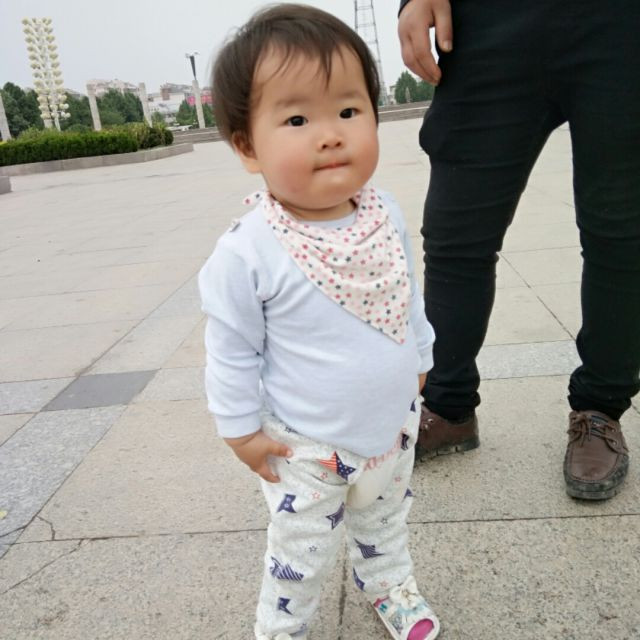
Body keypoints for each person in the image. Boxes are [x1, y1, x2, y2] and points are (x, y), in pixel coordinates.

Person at [199, 5, 440, 639]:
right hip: (306, 448)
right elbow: (231, 351)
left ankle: (389, 588)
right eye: (298, 119)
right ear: (247, 146)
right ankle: (283, 628)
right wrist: (239, 430)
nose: (330, 135)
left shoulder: (384, 212)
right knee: (298, 559)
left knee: (385, 526)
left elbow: (406, 291)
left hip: (392, 427)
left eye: (349, 110)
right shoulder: (249, 250)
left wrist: (421, 356)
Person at [397, 0, 640, 500]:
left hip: (621, 22)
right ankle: (447, 407)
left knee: (621, 233)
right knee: (455, 235)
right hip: (489, 19)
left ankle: (599, 409)